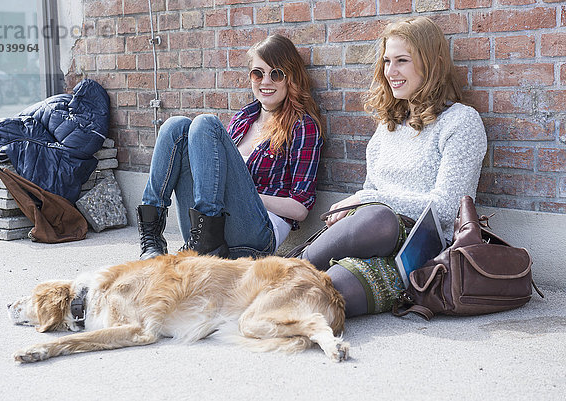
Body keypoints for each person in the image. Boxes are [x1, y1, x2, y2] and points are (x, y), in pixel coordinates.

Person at [300, 16, 487, 317]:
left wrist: (367, 200)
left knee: (326, 292)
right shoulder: (388, 126)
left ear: (432, 64)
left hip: (421, 254)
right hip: (374, 237)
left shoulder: (461, 122)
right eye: (387, 60)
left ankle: (283, 276)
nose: (391, 71)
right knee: (302, 281)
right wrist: (362, 204)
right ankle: (283, 271)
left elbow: (447, 209)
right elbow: (372, 190)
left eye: (402, 60)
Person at [137, 34, 323, 260]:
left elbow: (300, 209)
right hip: (212, 230)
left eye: (276, 74)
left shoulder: (303, 126)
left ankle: (207, 239)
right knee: (176, 126)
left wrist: (249, 196)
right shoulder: (244, 118)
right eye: (258, 73)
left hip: (258, 237)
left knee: (206, 124)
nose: (265, 82)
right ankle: (152, 237)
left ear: (291, 78)